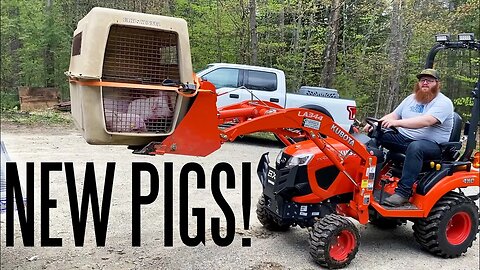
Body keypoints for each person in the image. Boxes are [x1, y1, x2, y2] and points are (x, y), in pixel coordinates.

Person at [366, 68, 454, 206]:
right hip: (404, 139)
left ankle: (403, 192)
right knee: (377, 134)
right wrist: (377, 123)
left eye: (429, 80)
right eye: (422, 80)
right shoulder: (411, 99)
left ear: (437, 83)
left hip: (432, 146)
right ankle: (369, 180)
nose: (425, 83)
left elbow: (426, 121)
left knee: (416, 147)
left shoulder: (443, 102)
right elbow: (393, 115)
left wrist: (397, 123)